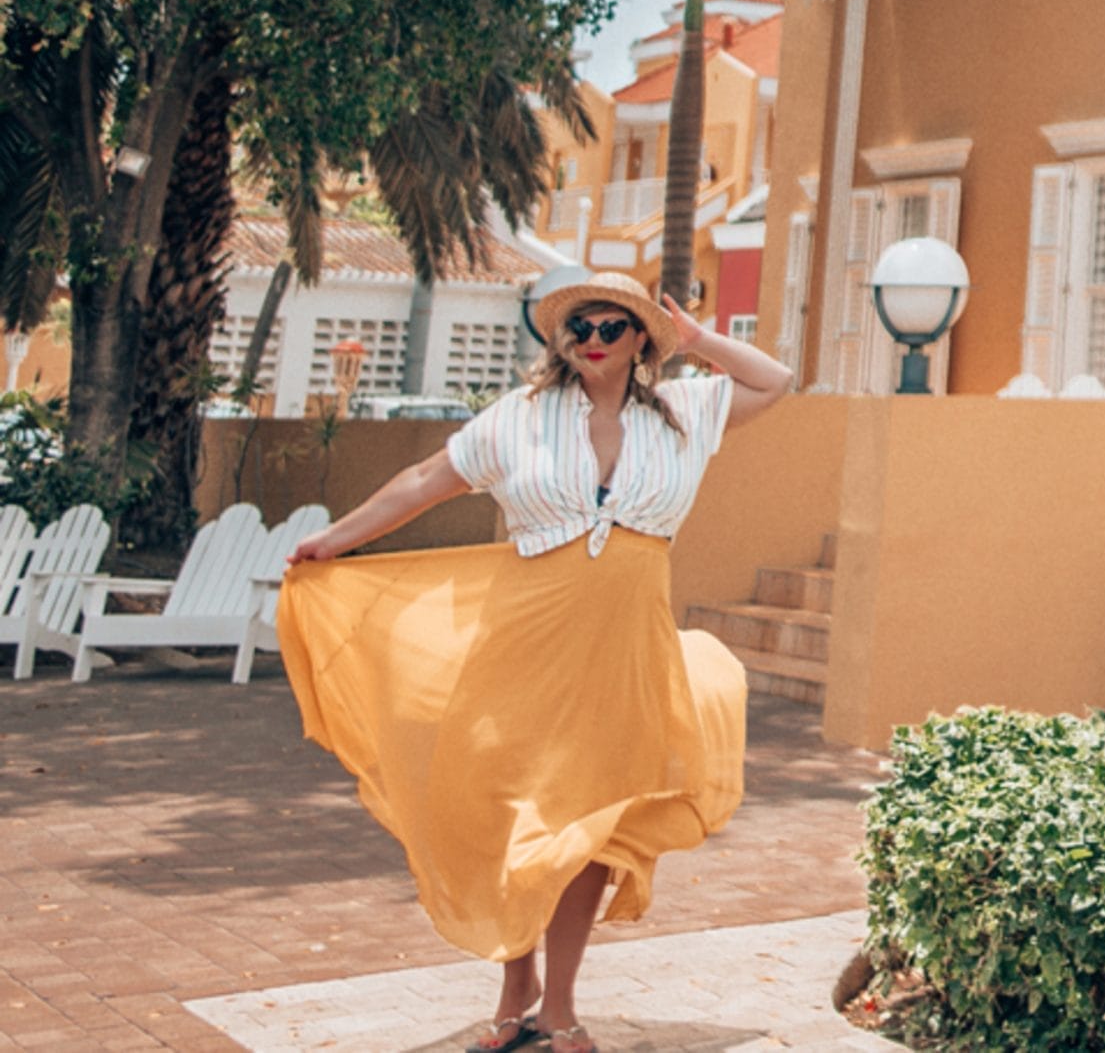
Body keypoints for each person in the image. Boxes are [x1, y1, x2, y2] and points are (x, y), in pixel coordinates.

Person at [278, 274, 795, 1053]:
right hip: (522, 639)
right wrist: (336, 542)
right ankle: (514, 985)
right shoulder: (517, 419)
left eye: (612, 326)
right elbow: (423, 481)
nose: (591, 338)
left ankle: (559, 1005)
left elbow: (776, 380)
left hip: (623, 651)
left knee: (587, 825)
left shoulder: (687, 412)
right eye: (578, 326)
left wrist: (695, 339)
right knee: (503, 809)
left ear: (639, 341)